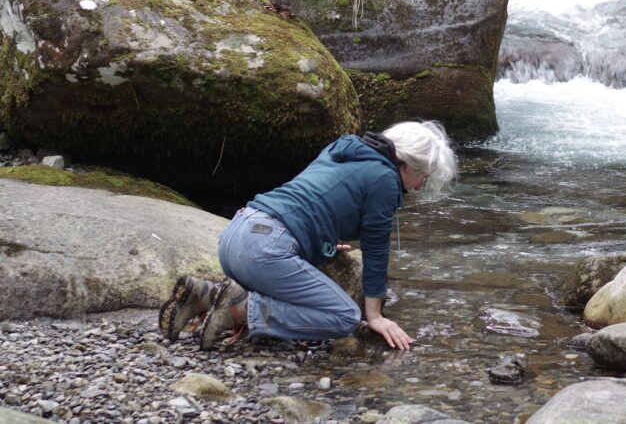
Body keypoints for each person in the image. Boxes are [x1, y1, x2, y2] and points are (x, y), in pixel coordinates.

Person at [159, 121, 456, 351]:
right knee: (344, 317)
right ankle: (240, 311)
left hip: (236, 233)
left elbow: (313, 201)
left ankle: (204, 295)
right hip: (265, 249)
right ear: (407, 165)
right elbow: (377, 250)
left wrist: (322, 239)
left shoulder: (342, 149)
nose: (418, 187)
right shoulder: (385, 179)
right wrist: (375, 316)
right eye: (424, 178)